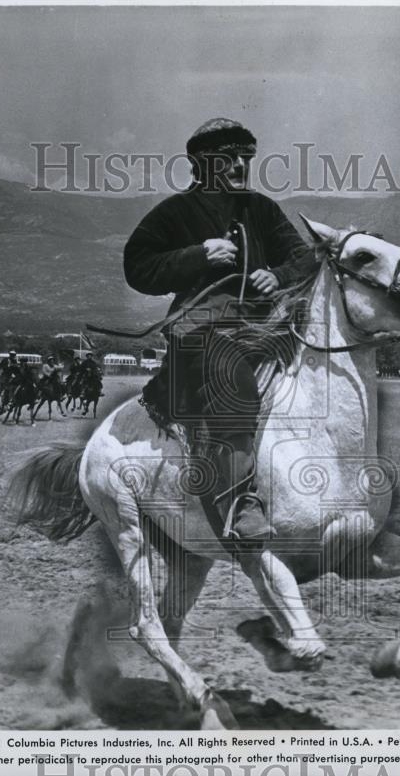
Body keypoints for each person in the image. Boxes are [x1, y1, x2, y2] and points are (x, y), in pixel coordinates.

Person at [123, 117, 316, 544]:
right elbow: (137, 266)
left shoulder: (261, 208)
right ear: (202, 164)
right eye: (227, 159)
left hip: (265, 325)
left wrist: (278, 275)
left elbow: (305, 258)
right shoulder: (173, 212)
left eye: (245, 158)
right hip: (200, 329)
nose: (240, 166)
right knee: (233, 377)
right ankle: (239, 501)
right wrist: (198, 255)